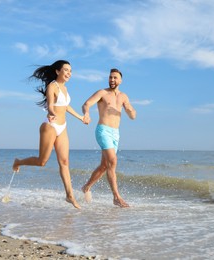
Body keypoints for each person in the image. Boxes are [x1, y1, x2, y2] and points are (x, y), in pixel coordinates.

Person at [12, 60, 88, 209]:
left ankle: (69, 195)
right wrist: (51, 113)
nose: (69, 73)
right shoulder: (52, 86)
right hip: (50, 126)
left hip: (63, 127)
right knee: (42, 162)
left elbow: (65, 106)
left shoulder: (65, 89)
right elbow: (51, 105)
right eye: (66, 70)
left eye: (70, 71)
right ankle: (18, 162)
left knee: (64, 162)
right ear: (57, 71)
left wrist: (80, 118)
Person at [81, 68, 136, 208]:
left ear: (120, 80)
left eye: (115, 78)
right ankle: (116, 197)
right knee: (113, 161)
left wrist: (129, 110)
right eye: (110, 77)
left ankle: (86, 187)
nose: (112, 80)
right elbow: (86, 104)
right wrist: (86, 114)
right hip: (103, 130)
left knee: (105, 166)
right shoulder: (102, 93)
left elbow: (133, 116)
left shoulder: (123, 96)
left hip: (115, 133)